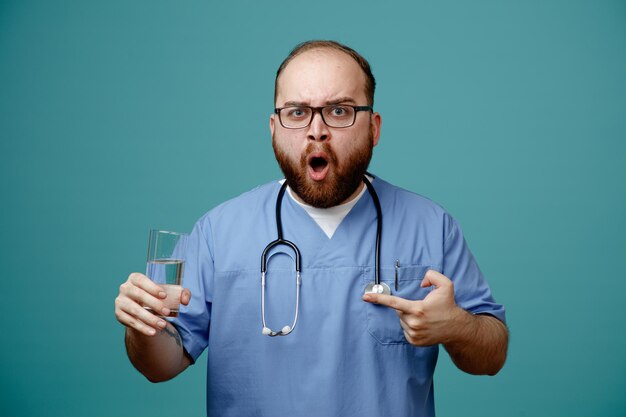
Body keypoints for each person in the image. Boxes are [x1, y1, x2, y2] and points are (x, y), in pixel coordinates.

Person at [115, 40, 508, 417]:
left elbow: (492, 353)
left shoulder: (431, 226)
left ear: (373, 127)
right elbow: (160, 365)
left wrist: (458, 327)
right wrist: (141, 327)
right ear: (273, 128)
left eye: (339, 111)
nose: (316, 130)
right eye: (297, 111)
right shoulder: (219, 232)